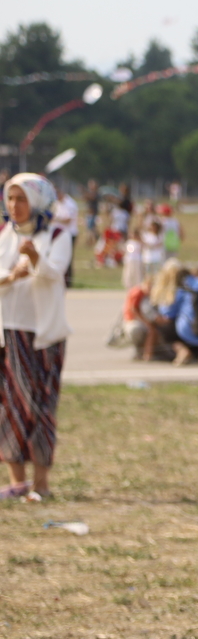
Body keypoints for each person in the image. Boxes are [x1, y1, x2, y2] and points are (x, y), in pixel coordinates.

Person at [0, 174, 73, 502]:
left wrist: (35, 259)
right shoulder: (5, 235)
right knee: (10, 404)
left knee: (40, 405)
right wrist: (10, 276)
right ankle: (17, 481)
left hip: (44, 336)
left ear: (38, 201)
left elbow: (55, 273)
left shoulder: (57, 235)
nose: (15, 206)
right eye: (11, 198)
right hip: (9, 332)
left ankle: (41, 483)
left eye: (22, 199)